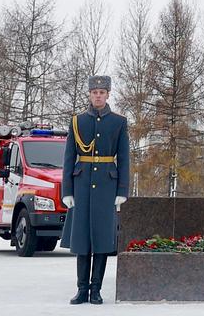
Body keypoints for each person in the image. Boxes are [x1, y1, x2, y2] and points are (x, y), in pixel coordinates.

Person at [61, 75, 130, 305]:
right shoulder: (77, 122)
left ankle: (96, 289)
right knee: (82, 239)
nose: (98, 95)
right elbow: (69, 158)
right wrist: (67, 191)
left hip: (107, 187)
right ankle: (81, 289)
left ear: (108, 94)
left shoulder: (119, 122)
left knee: (101, 239)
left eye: (102, 92)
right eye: (94, 92)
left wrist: (122, 190)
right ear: (89, 95)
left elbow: (124, 158)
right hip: (81, 186)